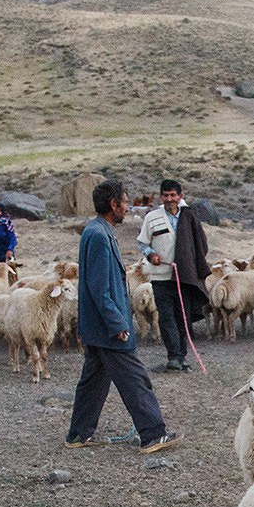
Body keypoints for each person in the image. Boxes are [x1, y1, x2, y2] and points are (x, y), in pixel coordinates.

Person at [65, 179, 180, 455]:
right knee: (135, 378)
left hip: (97, 327)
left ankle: (78, 434)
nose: (128, 208)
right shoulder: (98, 235)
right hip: (107, 328)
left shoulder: (98, 231)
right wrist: (117, 323)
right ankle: (153, 434)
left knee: (93, 381)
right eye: (125, 202)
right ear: (113, 204)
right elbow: (99, 287)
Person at [137, 178, 211, 372]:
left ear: (180, 196)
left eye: (173, 195)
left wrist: (192, 264)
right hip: (161, 276)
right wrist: (151, 254)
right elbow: (143, 243)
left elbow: (200, 243)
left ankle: (182, 355)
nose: (169, 199)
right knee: (166, 316)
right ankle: (173, 356)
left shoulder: (189, 217)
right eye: (165, 195)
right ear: (161, 197)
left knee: (183, 316)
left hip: (184, 276)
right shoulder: (152, 217)